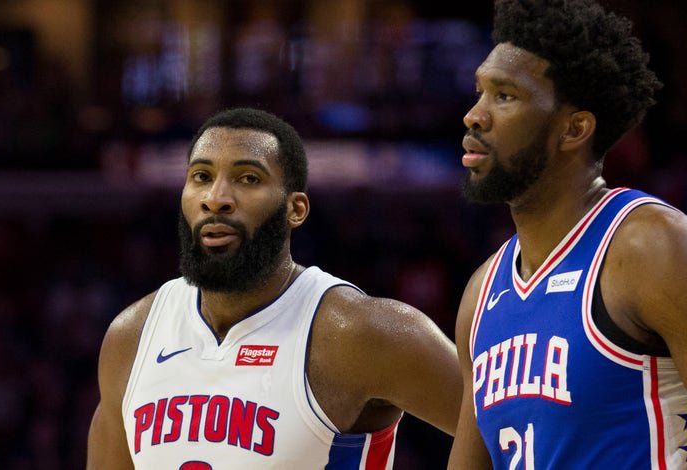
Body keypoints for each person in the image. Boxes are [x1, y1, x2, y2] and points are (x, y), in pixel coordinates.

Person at [448, 1, 687, 469]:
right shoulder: (481, 295)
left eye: (504, 96)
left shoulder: (659, 251)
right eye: (479, 91)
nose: (474, 115)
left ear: (574, 129)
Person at [86, 107, 461, 469]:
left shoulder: (361, 333)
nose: (216, 198)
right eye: (201, 176)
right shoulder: (132, 337)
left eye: (248, 178)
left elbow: (497, 433)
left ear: (295, 209)